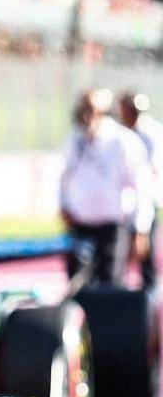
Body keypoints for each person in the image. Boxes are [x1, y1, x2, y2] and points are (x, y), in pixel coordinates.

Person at [58, 89, 153, 286]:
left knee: (109, 286)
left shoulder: (123, 141)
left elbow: (141, 186)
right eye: (83, 110)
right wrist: (64, 205)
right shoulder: (74, 140)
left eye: (92, 111)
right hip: (81, 225)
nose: (87, 117)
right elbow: (63, 177)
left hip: (112, 227)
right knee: (77, 285)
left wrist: (141, 228)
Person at [117, 91, 163, 287]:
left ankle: (149, 293)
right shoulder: (119, 133)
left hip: (146, 199)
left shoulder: (151, 132)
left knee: (146, 252)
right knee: (120, 254)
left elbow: (152, 169)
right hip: (125, 203)